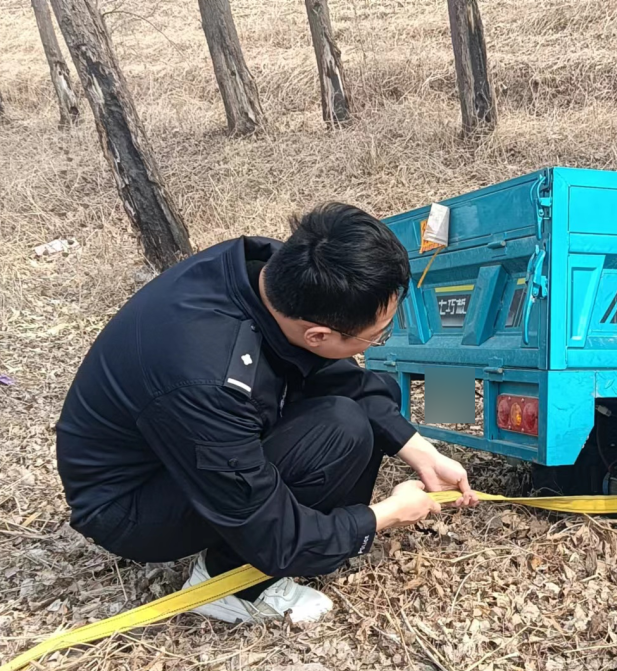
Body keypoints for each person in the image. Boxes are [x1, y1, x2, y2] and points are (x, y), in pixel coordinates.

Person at [56, 203, 478, 624]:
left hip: (179, 447)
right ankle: (230, 586)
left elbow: (334, 373)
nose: (376, 342)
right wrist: (385, 515)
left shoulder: (278, 273)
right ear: (318, 333)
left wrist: (418, 449)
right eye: (375, 337)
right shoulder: (207, 380)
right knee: (342, 431)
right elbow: (272, 532)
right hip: (129, 504)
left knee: (353, 419)